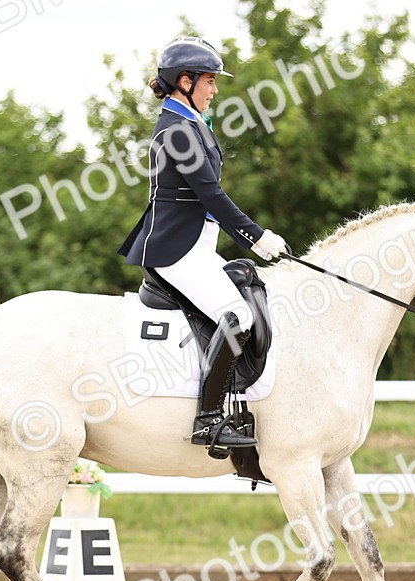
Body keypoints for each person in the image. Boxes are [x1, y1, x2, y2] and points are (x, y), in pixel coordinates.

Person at [119, 35, 289, 451]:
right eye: (210, 81)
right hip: (175, 249)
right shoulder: (177, 130)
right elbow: (211, 195)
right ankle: (208, 420)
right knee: (238, 315)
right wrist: (257, 237)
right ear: (185, 81)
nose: (215, 90)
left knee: (248, 290)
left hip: (196, 245)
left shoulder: (190, 123)